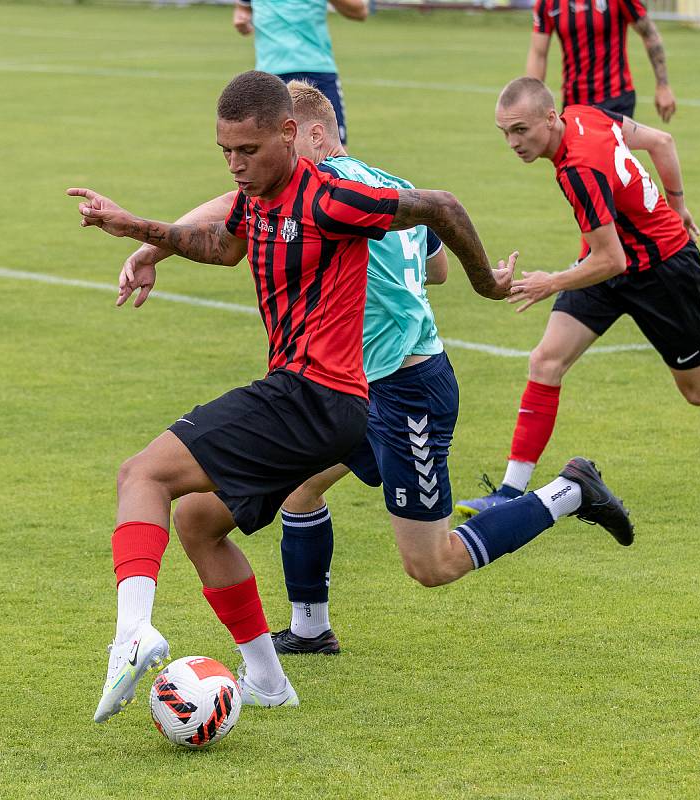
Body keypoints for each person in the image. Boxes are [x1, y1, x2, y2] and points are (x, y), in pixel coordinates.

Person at [118, 80, 636, 661]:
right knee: (291, 493)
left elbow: (227, 208)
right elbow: (434, 268)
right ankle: (309, 629)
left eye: (268, 147)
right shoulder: (384, 184)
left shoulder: (337, 189)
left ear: (308, 133)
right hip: (343, 388)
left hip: (407, 388)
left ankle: (569, 492)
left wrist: (149, 247)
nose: (258, 169)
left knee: (431, 563)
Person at [66, 69, 515, 722]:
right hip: (310, 399)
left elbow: (440, 207)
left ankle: (132, 636)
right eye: (226, 152)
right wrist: (137, 230)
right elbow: (222, 246)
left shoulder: (334, 197)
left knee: (142, 473)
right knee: (198, 520)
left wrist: (488, 286)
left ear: (290, 134)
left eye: (247, 151)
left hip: (317, 398)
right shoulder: (265, 199)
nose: (236, 166)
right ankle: (269, 677)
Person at [455, 77, 700, 518]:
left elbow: (614, 260)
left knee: (696, 391)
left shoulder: (577, 170)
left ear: (550, 119)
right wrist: (678, 204)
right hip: (609, 265)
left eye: (520, 130)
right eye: (505, 133)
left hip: (664, 271)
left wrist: (551, 282)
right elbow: (662, 142)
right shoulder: (586, 114)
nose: (512, 142)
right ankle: (509, 492)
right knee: (546, 360)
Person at [232, 0, 368, 143]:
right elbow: (243, 9)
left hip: (316, 70)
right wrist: (242, 21)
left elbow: (360, 11)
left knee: (333, 152)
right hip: (270, 75)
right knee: (268, 150)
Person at [527, 0, 676, 122]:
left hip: (616, 99)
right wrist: (532, 101)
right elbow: (538, 53)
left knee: (609, 157)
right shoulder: (547, 3)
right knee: (581, 158)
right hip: (574, 104)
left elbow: (649, 34)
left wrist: (663, 86)